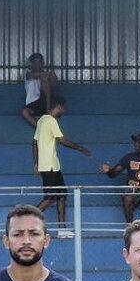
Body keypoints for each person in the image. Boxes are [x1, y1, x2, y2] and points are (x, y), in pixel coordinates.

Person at [31, 97, 93, 229]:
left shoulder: (41, 120)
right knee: (50, 197)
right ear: (58, 106)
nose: (64, 111)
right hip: (50, 166)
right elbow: (63, 141)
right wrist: (80, 148)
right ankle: (29, 221)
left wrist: (36, 163)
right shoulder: (51, 121)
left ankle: (62, 229)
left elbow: (34, 143)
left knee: (62, 196)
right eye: (63, 108)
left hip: (52, 165)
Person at [19, 52, 58, 129]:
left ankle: (48, 110)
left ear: (43, 63)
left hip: (45, 102)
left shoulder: (47, 75)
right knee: (24, 112)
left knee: (45, 81)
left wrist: (51, 76)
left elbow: (55, 84)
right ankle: (40, 128)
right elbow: (33, 75)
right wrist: (47, 74)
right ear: (31, 64)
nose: (37, 65)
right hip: (33, 103)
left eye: (39, 62)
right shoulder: (27, 73)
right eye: (35, 63)